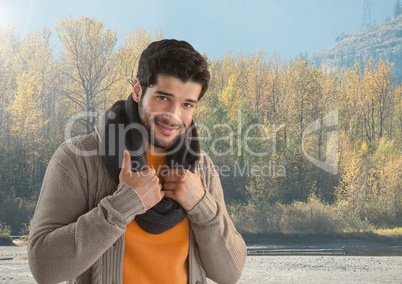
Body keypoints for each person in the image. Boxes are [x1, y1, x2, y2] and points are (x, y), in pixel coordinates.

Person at [28, 39, 247, 284]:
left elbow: (229, 274)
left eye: (187, 104)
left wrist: (201, 205)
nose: (174, 115)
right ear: (137, 90)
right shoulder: (78, 158)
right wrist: (122, 206)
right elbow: (44, 269)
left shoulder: (201, 167)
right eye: (163, 98)